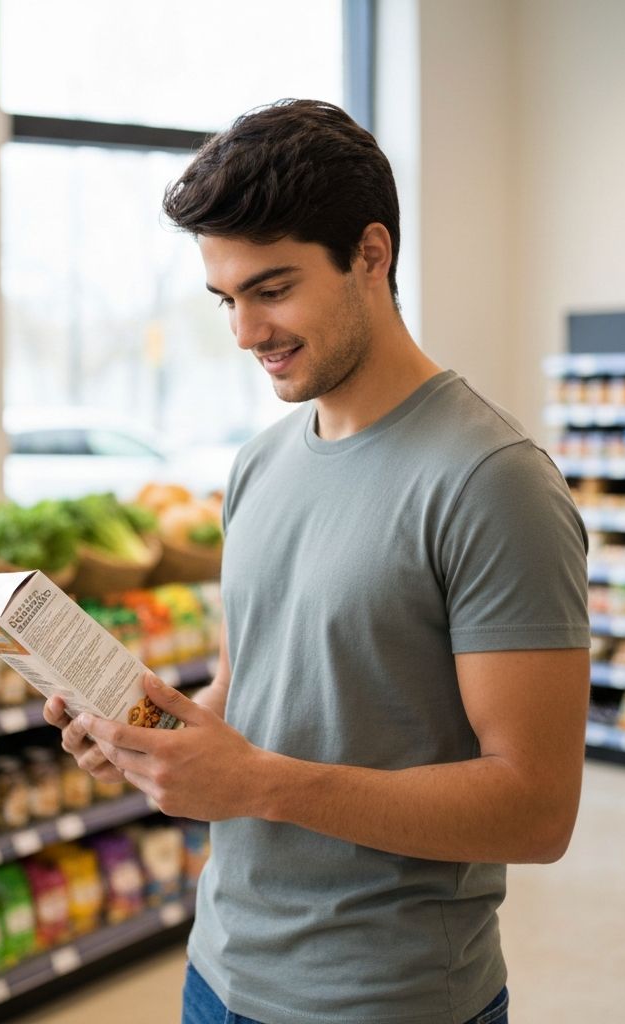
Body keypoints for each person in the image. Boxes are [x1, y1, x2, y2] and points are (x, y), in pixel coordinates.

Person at [43, 99, 590, 1024]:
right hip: (218, 973)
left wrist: (255, 782)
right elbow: (247, 698)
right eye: (226, 299)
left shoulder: (493, 483)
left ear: (371, 254)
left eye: (272, 288)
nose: (245, 332)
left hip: (388, 1001)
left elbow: (535, 811)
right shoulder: (260, 464)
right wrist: (148, 734)